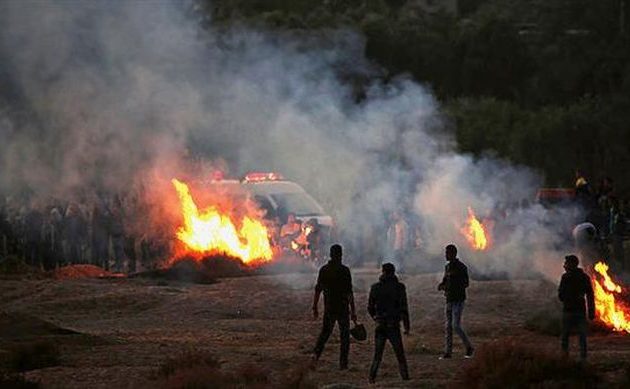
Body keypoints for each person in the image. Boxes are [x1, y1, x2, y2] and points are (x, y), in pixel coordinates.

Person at [312, 244, 357, 370]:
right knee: (344, 337)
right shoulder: (344, 271)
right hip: (342, 308)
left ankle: (315, 356)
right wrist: (353, 311)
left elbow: (318, 289)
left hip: (330, 307)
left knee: (325, 334)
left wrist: (315, 306)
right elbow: (349, 292)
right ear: (340, 255)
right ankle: (343, 363)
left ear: (331, 255)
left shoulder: (324, 270)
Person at [367, 263, 410, 383]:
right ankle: (405, 378)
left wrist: (376, 318)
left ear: (383, 272)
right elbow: (404, 308)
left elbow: (370, 307)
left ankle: (372, 378)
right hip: (393, 325)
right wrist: (407, 327)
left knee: (377, 356)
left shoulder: (375, 287)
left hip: (380, 325)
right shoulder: (399, 287)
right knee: (400, 355)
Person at [438, 244, 474, 359]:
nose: (445, 255)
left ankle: (469, 347)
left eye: (447, 253)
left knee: (456, 326)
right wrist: (442, 286)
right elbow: (445, 280)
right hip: (449, 299)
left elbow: (466, 283)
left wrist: (453, 286)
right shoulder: (447, 267)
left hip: (458, 299)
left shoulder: (461, 267)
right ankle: (448, 352)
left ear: (453, 254)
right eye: (445, 253)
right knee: (448, 327)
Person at [558, 255, 595, 361]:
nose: (564, 265)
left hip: (572, 311)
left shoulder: (568, 277)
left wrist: (566, 299)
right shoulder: (581, 277)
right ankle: (580, 358)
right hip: (577, 311)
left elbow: (590, 295)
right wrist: (591, 312)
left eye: (566, 263)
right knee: (579, 336)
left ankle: (567, 357)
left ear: (572, 264)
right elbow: (590, 295)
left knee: (567, 335)